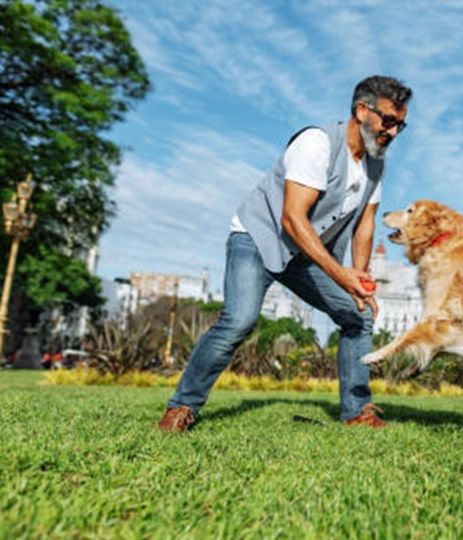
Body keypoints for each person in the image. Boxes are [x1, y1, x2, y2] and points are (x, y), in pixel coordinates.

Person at [158, 75, 412, 432]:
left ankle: (357, 411)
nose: (394, 132)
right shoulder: (317, 144)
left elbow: (365, 224)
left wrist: (362, 279)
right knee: (239, 320)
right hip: (259, 239)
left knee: (358, 316)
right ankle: (182, 407)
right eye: (388, 121)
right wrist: (341, 274)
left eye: (401, 125)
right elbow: (292, 219)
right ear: (361, 110)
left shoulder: (375, 164)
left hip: (304, 254)